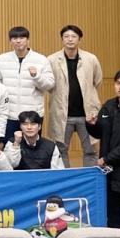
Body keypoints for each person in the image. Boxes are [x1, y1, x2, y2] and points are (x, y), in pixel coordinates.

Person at [86, 69, 120, 235]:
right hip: (110, 178)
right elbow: (100, 133)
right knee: (115, 225)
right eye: (118, 83)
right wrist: (91, 125)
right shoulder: (109, 105)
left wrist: (108, 158)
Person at [48, 25, 102, 167]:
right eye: (66, 36)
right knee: (60, 151)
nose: (70, 39)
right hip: (62, 114)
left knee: (91, 150)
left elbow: (97, 81)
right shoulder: (52, 59)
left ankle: (89, 179)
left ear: (79, 39)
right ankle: (65, 179)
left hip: (87, 114)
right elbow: (49, 84)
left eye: (73, 36)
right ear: (62, 39)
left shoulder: (91, 58)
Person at [0, 26, 55, 141]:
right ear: (10, 41)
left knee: (32, 148)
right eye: (14, 38)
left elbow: (50, 85)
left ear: (28, 40)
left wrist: (36, 76)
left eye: (22, 38)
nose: (18, 41)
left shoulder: (41, 59)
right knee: (9, 146)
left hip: (32, 116)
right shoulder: (2, 59)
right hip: (9, 114)